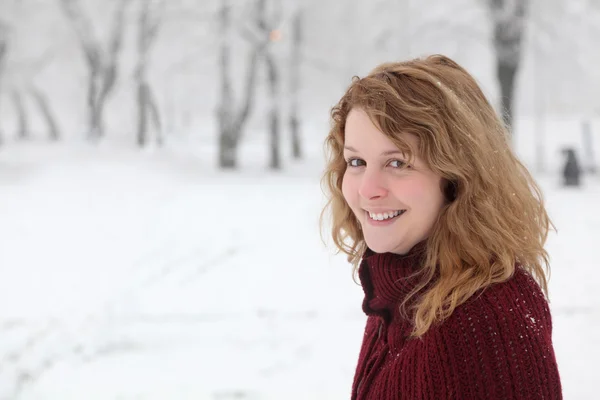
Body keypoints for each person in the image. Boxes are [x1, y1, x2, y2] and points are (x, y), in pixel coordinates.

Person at [320, 54, 562, 399]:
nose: (367, 189)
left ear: (457, 177)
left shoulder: (485, 324)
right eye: (356, 162)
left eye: (397, 162)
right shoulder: (402, 290)